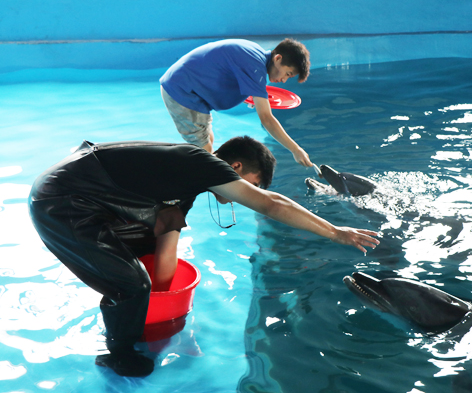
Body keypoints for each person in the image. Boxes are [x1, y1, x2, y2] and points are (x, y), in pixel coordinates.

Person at [28, 136, 378, 377]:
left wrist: (163, 305)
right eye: (252, 184)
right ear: (235, 167)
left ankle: (131, 316)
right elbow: (272, 204)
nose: (251, 194)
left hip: (87, 197)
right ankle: (117, 354)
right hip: (62, 201)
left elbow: (165, 252)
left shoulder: (181, 185)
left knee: (145, 261)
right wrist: (335, 232)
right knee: (131, 285)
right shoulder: (199, 162)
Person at [160, 38, 312, 166]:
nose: (284, 80)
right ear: (277, 59)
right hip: (183, 91)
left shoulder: (255, 55)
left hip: (188, 88)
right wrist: (295, 149)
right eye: (288, 74)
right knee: (204, 157)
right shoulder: (255, 67)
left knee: (208, 145)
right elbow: (266, 118)